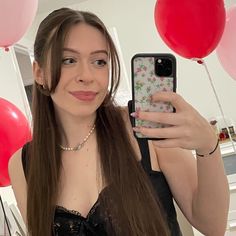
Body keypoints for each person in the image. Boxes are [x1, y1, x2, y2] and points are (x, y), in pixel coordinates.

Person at [8, 7, 229, 236]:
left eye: (99, 62)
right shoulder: (23, 165)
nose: (87, 75)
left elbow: (212, 225)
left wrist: (208, 147)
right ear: (39, 72)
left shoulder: (142, 125)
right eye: (69, 60)